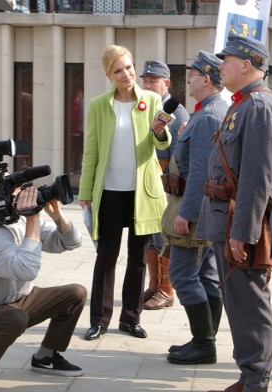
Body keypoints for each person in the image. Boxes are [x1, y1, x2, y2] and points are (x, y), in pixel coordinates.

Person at [199, 34, 272, 392]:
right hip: (228, 221)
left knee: (251, 306)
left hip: (241, 226)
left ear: (247, 64)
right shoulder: (243, 106)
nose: (221, 66)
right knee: (238, 304)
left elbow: (258, 178)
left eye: (228, 60)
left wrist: (243, 232)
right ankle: (247, 378)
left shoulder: (261, 107)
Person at [0, 185, 87, 392]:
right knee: (14, 318)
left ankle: (45, 357)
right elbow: (27, 268)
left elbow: (71, 242)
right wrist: (32, 217)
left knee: (75, 293)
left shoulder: (19, 222)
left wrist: (56, 214)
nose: (26, 195)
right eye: (18, 193)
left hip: (14, 302)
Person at [79, 45, 171, 341]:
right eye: (118, 70)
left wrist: (159, 131)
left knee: (138, 258)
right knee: (105, 256)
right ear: (109, 74)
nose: (126, 74)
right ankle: (99, 319)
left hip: (142, 192)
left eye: (129, 67)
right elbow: (91, 151)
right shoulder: (98, 105)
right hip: (108, 192)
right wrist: (85, 192)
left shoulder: (152, 100)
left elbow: (162, 143)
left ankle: (130, 318)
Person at [164, 51, 228, 365]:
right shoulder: (207, 111)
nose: (188, 79)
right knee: (206, 275)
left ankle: (204, 343)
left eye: (192, 74)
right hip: (203, 208)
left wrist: (186, 214)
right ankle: (206, 339)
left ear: (205, 79)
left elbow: (201, 171)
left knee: (182, 274)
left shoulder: (208, 116)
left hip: (195, 209)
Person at [140, 59, 190, 311]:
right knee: (150, 237)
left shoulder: (175, 112)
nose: (147, 85)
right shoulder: (145, 108)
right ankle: (153, 285)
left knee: (162, 238)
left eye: (153, 81)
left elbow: (176, 158)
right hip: (148, 184)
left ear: (166, 83)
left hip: (166, 185)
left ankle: (166, 290)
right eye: (145, 80)